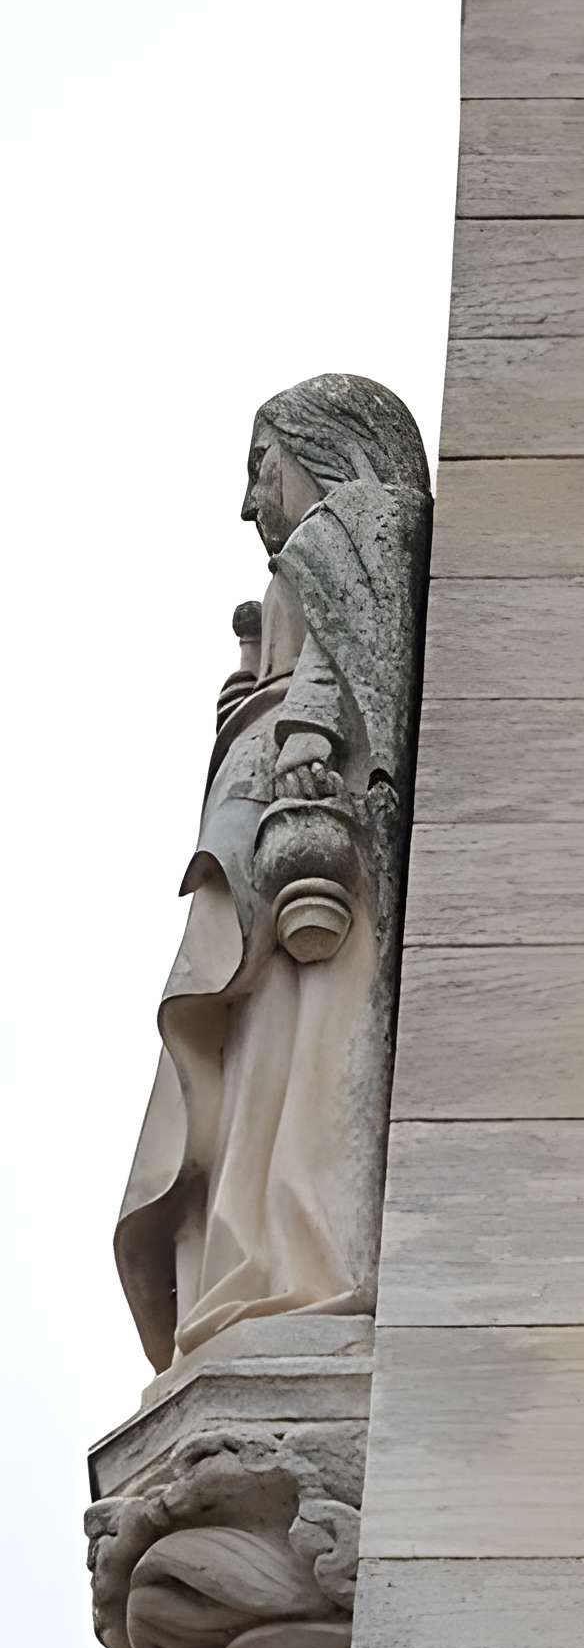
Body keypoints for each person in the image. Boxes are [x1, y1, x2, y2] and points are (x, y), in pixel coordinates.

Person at [115, 375, 431, 1367]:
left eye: (261, 466)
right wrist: (253, 707)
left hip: (313, 822)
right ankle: (251, 1261)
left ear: (319, 448)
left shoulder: (351, 522)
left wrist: (301, 725)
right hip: (272, 823)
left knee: (299, 1039)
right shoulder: (320, 546)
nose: (250, 499)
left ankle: (292, 1260)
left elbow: (353, 648)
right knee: (259, 1053)